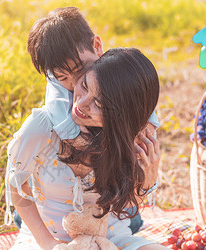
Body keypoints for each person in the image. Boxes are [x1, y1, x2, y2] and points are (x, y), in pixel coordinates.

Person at [0, 47, 194, 250]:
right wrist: (50, 246)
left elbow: (128, 207)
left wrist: (148, 177)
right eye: (85, 86)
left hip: (109, 244)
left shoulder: (132, 141)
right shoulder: (42, 126)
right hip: (46, 242)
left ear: (121, 116)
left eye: (98, 104)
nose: (80, 104)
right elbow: (15, 186)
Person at [12, 7, 160, 233]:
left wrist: (145, 123)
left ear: (97, 46)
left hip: (108, 213)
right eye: (62, 77)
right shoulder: (58, 95)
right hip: (51, 211)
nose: (73, 82)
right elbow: (57, 109)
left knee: (127, 212)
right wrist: (75, 137)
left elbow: (137, 99)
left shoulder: (115, 71)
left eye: (80, 70)